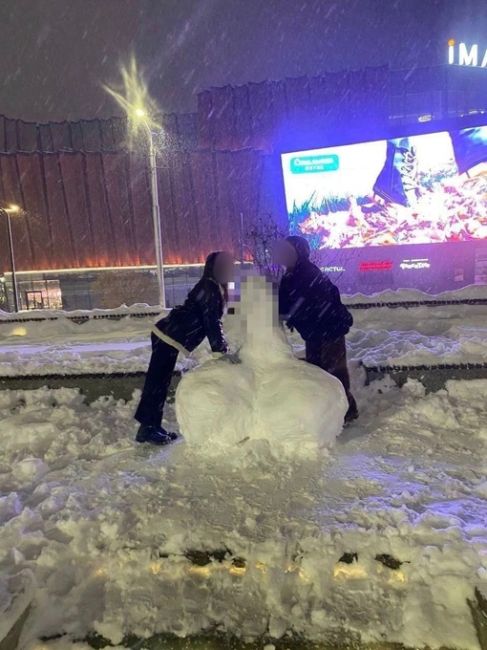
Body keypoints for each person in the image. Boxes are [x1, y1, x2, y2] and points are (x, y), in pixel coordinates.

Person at [134, 251, 235, 445]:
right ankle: (147, 428)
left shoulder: (217, 288)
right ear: (212, 267)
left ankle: (151, 426)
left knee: (160, 382)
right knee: (156, 382)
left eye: (230, 266)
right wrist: (220, 350)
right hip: (168, 334)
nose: (228, 269)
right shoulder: (209, 287)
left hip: (171, 335)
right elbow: (211, 321)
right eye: (223, 265)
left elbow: (216, 320)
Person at [275, 236, 358, 423]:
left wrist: (289, 314)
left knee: (333, 373)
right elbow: (286, 304)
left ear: (300, 253)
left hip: (329, 330)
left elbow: (300, 304)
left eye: (288, 252)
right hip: (315, 332)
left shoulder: (306, 273)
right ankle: (335, 411)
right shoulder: (292, 274)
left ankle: (347, 411)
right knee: (320, 372)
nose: (283, 255)